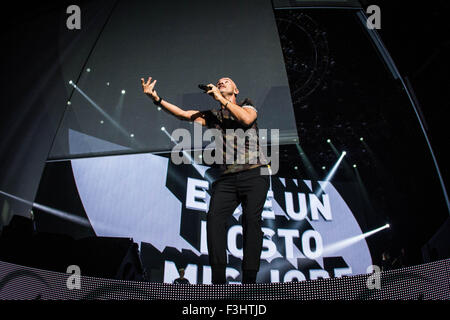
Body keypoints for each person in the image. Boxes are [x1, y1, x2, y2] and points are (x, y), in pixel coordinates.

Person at [141, 76, 270, 284]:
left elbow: (246, 120)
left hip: (255, 173)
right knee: (214, 219)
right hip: (227, 177)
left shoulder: (248, 106)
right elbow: (184, 115)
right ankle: (219, 279)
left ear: (235, 90)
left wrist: (221, 99)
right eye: (219, 82)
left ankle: (249, 279)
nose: (221, 82)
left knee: (251, 221)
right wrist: (157, 99)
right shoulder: (212, 116)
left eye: (226, 81)